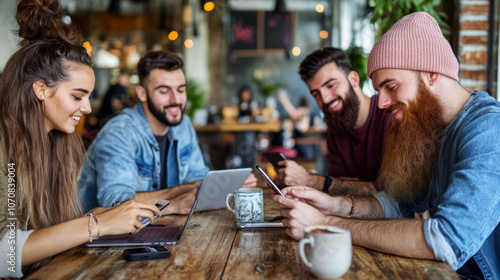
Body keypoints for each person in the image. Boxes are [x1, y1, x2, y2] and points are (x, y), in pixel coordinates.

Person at [273, 12, 500, 279]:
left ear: (432, 72)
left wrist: (323, 224)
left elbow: (446, 239)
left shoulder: (488, 130)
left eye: (391, 86)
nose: (381, 103)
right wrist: (333, 205)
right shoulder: (431, 127)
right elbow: (397, 204)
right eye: (379, 90)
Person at [0, 0, 160, 277]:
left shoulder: (54, 143)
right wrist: (94, 224)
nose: (86, 108)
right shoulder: (4, 148)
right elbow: (5, 255)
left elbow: (38, 235)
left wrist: (93, 219)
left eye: (87, 96)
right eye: (77, 96)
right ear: (41, 89)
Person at [79, 51, 257, 214]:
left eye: (181, 89)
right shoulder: (119, 133)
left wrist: (224, 185)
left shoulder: (183, 125)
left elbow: (197, 179)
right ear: (142, 93)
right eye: (164, 91)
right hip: (99, 244)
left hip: (158, 230)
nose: (176, 100)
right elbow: (116, 204)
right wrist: (180, 195)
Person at [276, 47, 392, 196]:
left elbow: (392, 193)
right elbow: (339, 189)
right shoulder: (337, 126)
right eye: (316, 94)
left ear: (354, 80)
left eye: (331, 85)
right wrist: (305, 183)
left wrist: (311, 181)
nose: (324, 99)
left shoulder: (389, 114)